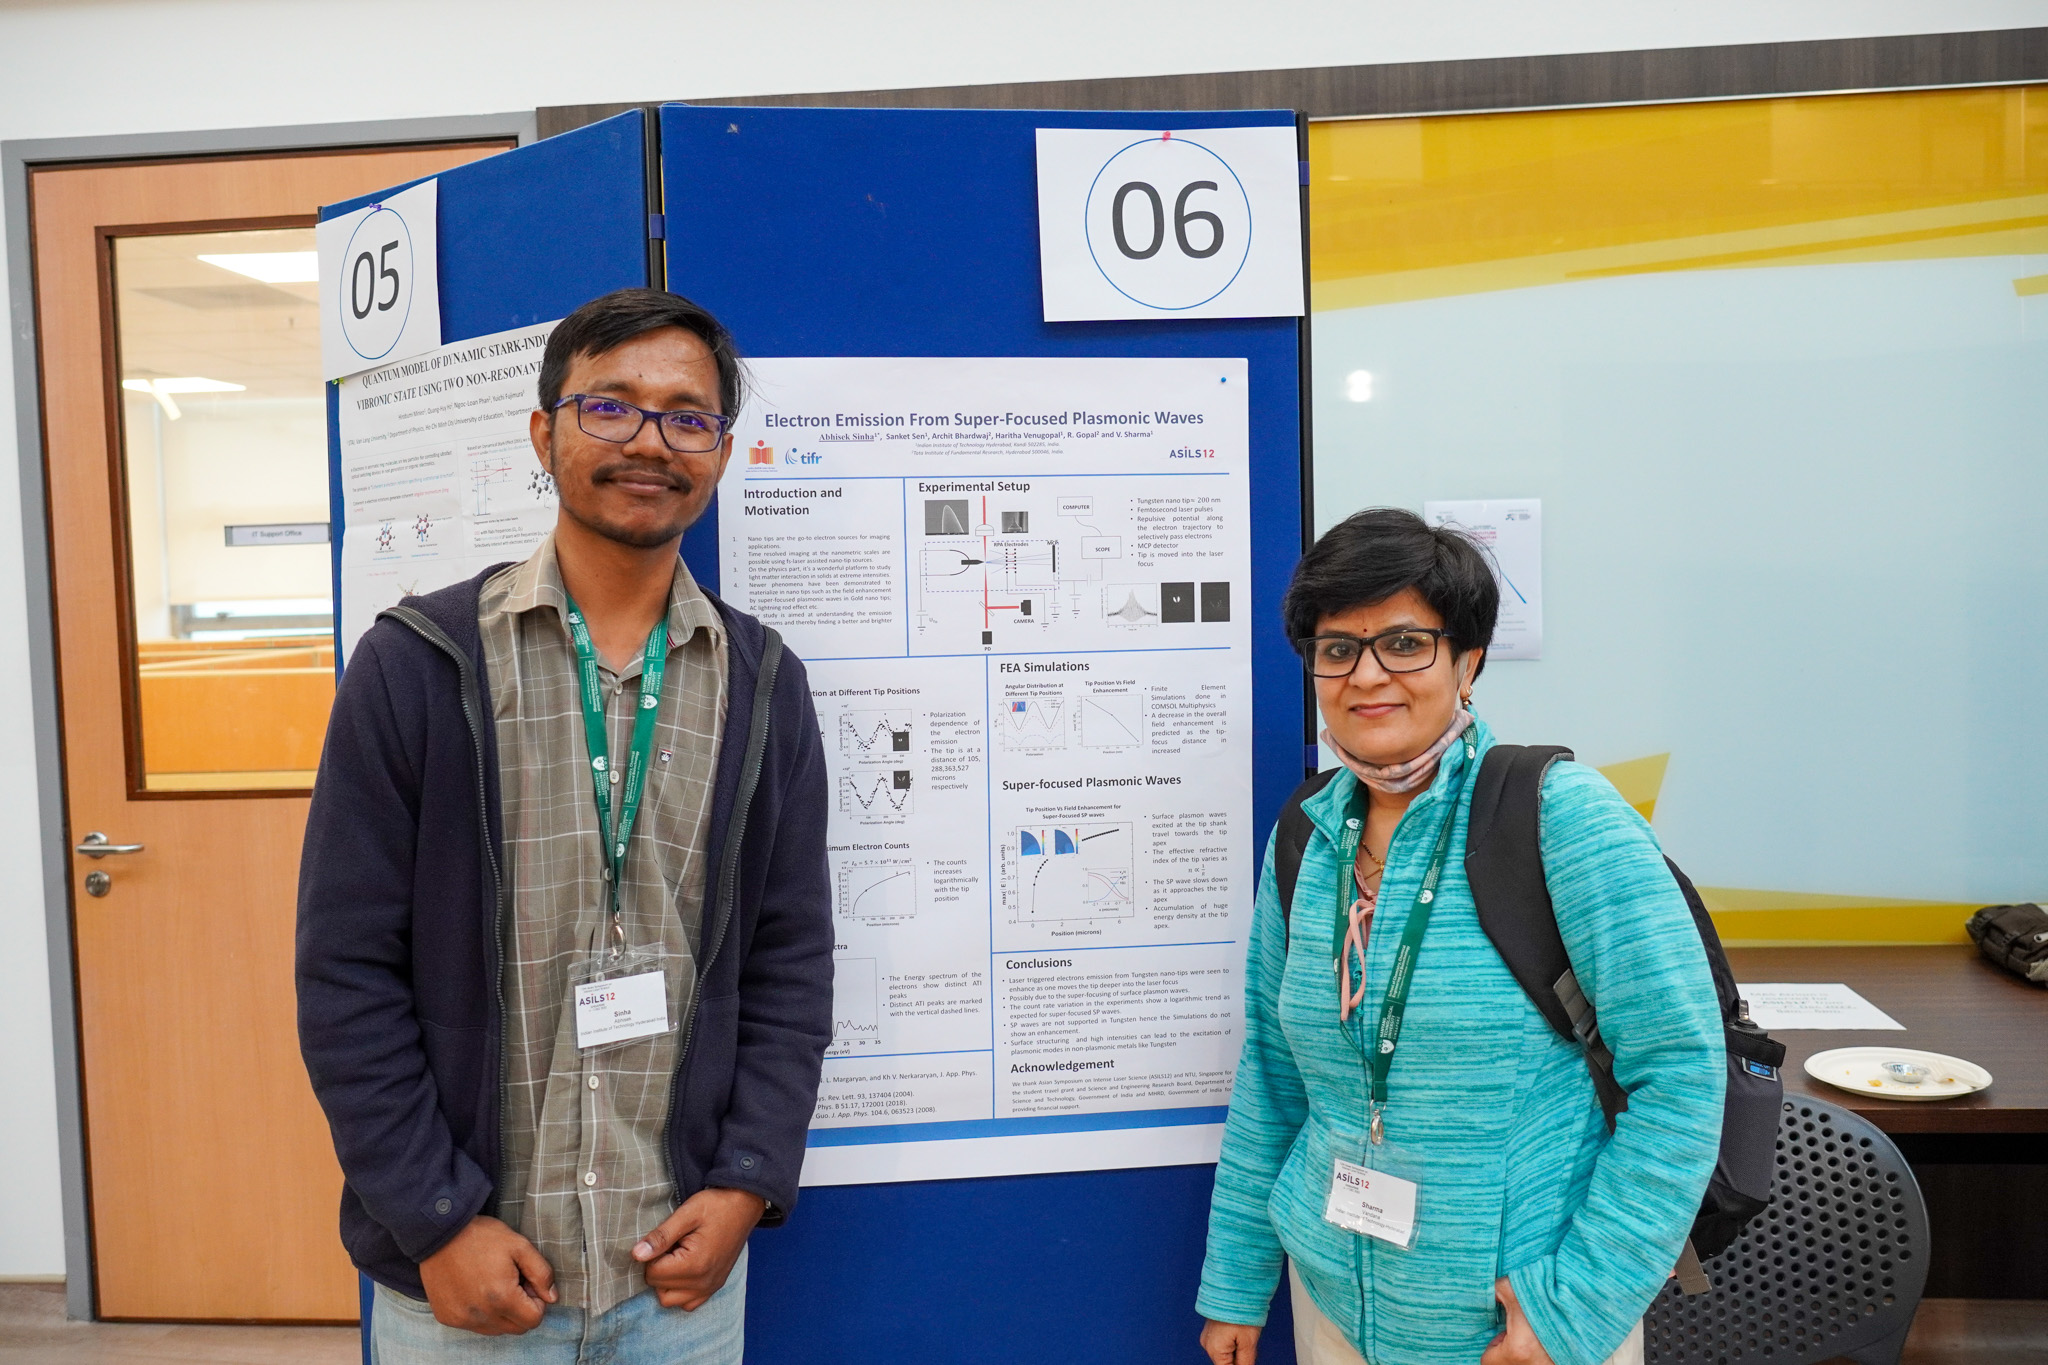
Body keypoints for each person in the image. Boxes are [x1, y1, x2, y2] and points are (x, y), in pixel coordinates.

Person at [297, 288, 832, 1364]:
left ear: (721, 454)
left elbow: (791, 961)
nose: (650, 441)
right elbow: (346, 972)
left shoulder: (763, 684)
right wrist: (435, 1219)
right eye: (611, 406)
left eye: (687, 417)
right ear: (544, 434)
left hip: (677, 1284)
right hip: (471, 1285)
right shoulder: (418, 666)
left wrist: (747, 1181)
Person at [1196, 508, 1725, 1365]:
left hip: (1517, 1328)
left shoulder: (1561, 817)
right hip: (1331, 1305)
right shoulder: (1306, 834)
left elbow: (1681, 1075)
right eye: (1338, 648)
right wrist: (1236, 1280)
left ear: (1468, 660)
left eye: (1405, 643)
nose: (1368, 674)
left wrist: (1571, 1309)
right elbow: (1274, 1075)